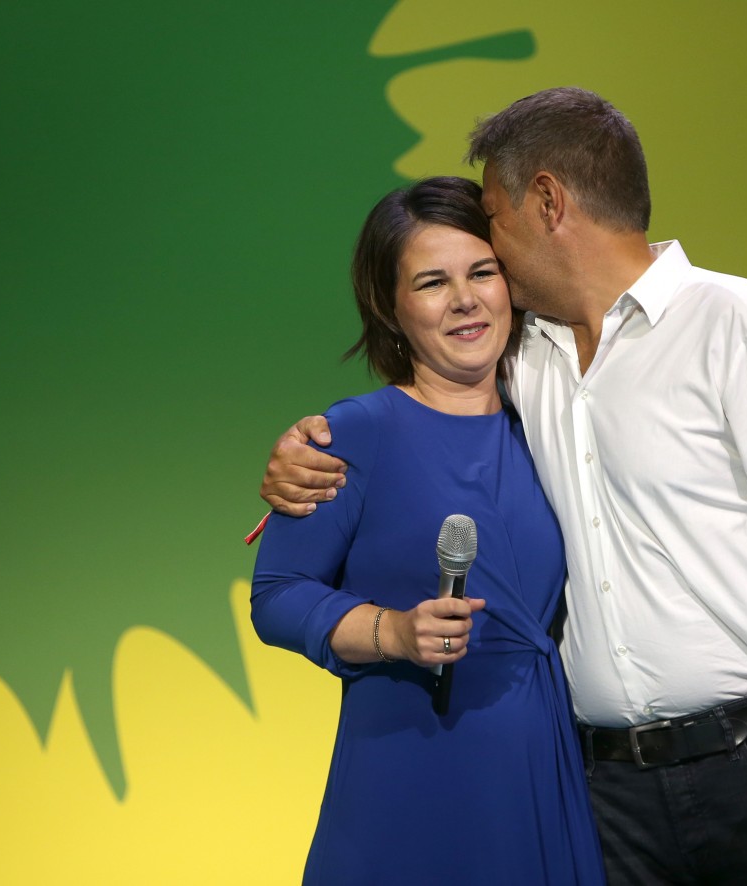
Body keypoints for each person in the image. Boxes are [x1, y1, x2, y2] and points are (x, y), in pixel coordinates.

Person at [261, 89, 747, 884]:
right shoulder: (535, 363)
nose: (470, 290)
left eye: (489, 233)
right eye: (433, 280)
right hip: (607, 793)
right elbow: (343, 516)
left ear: (548, 202)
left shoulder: (731, 322)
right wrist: (305, 456)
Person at [250, 175, 606, 885]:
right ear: (390, 306)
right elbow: (279, 595)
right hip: (409, 762)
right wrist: (393, 632)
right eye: (432, 283)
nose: (466, 299)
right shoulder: (352, 433)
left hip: (545, 762)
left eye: (483, 272)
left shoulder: (552, 423)